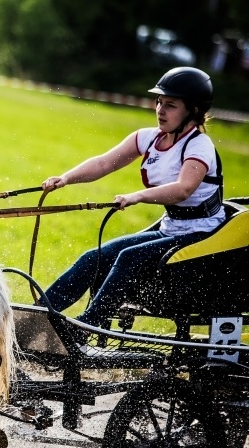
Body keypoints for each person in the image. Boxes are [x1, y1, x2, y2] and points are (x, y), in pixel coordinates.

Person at [40, 66, 224, 333]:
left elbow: (184, 189)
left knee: (128, 257)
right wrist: (66, 178)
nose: (160, 110)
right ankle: (40, 314)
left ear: (194, 110)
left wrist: (138, 196)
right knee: (95, 257)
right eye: (159, 102)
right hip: (171, 228)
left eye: (170, 105)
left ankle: (86, 328)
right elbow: (104, 163)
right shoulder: (148, 138)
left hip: (203, 234)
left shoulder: (199, 145)